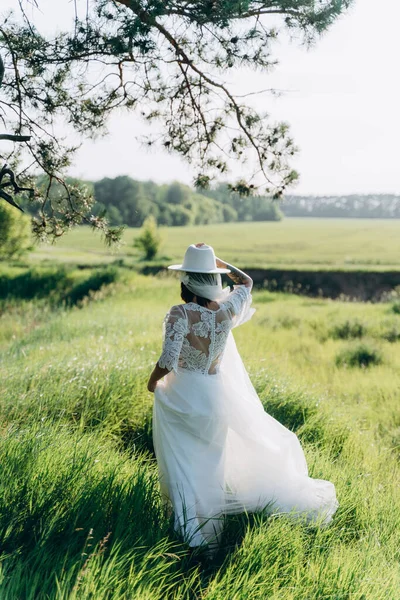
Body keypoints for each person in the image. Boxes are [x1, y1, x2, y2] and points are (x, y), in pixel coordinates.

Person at [147, 243, 338, 549]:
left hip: (183, 397)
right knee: (210, 465)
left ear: (186, 281)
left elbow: (168, 361)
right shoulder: (225, 312)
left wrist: (152, 382)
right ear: (212, 279)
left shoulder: (178, 313)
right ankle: (211, 533)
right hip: (214, 397)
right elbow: (246, 283)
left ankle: (186, 532)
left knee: (182, 463)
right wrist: (218, 262)